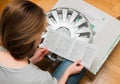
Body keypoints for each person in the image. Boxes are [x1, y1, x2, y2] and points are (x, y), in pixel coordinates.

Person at [0, 0, 85, 84]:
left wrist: (31, 60)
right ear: (33, 39)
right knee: (78, 63)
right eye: (42, 33)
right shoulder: (41, 79)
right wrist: (67, 73)